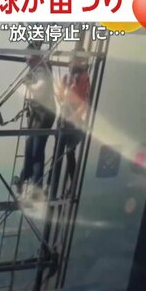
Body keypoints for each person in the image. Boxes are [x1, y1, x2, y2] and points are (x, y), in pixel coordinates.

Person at [15, 44, 57, 196]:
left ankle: (36, 186)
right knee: (30, 149)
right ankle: (24, 179)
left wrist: (29, 85)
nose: (25, 58)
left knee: (36, 151)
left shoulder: (40, 68)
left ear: (33, 55)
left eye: (27, 55)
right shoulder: (37, 68)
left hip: (43, 114)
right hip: (38, 114)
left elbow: (41, 87)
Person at [55, 52, 90, 195]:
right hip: (66, 116)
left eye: (73, 61)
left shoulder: (83, 78)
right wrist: (61, 89)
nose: (70, 64)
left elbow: (84, 103)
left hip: (71, 118)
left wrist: (74, 117)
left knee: (68, 153)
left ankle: (72, 184)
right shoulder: (68, 77)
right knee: (61, 152)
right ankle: (55, 184)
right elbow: (61, 97)